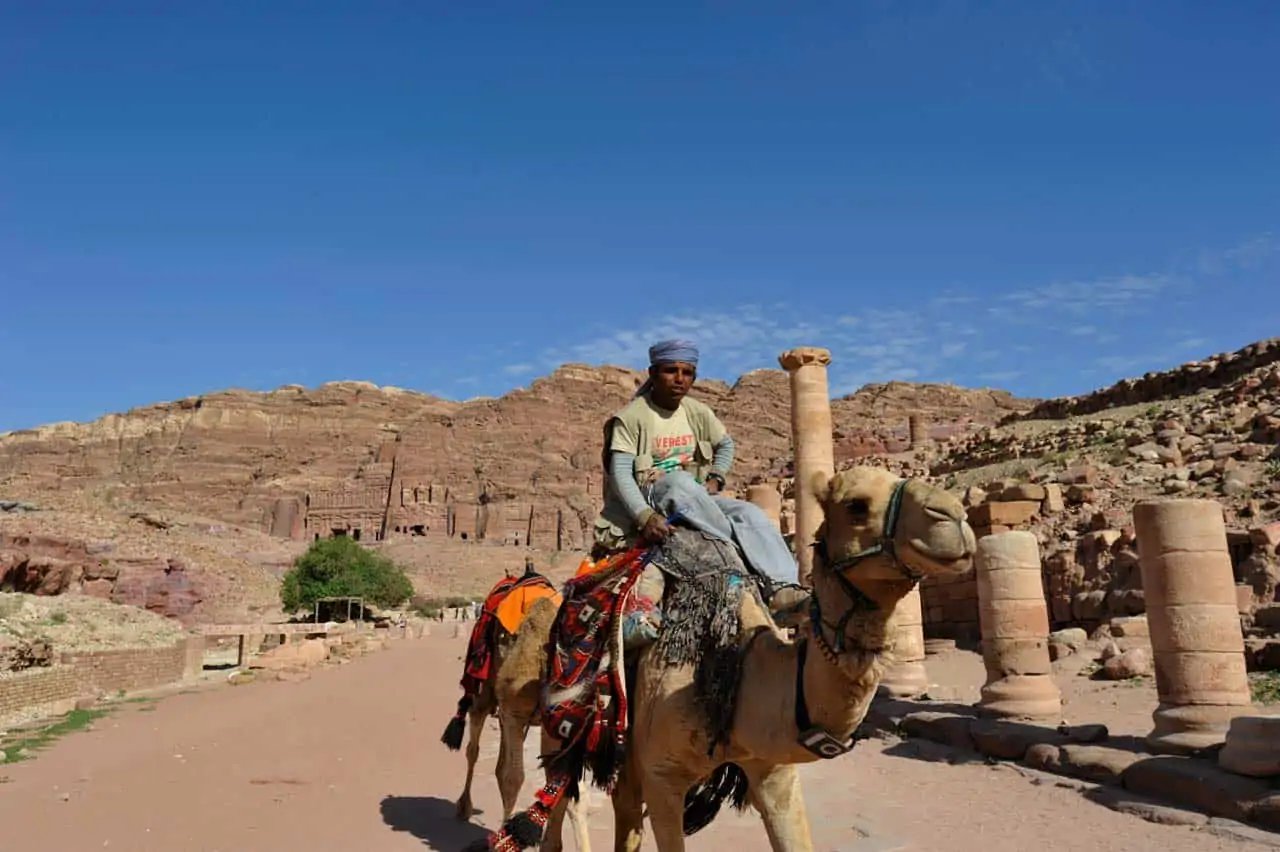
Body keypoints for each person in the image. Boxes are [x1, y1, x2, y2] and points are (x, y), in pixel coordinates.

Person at [594, 339, 798, 587]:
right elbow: (621, 473)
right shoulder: (632, 417)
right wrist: (645, 516)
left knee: (749, 512)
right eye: (671, 371)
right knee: (679, 483)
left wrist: (717, 476)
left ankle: (785, 586)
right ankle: (741, 554)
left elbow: (726, 444)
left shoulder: (697, 412)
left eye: (687, 372)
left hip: (694, 497)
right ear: (653, 373)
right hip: (652, 496)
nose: (679, 379)